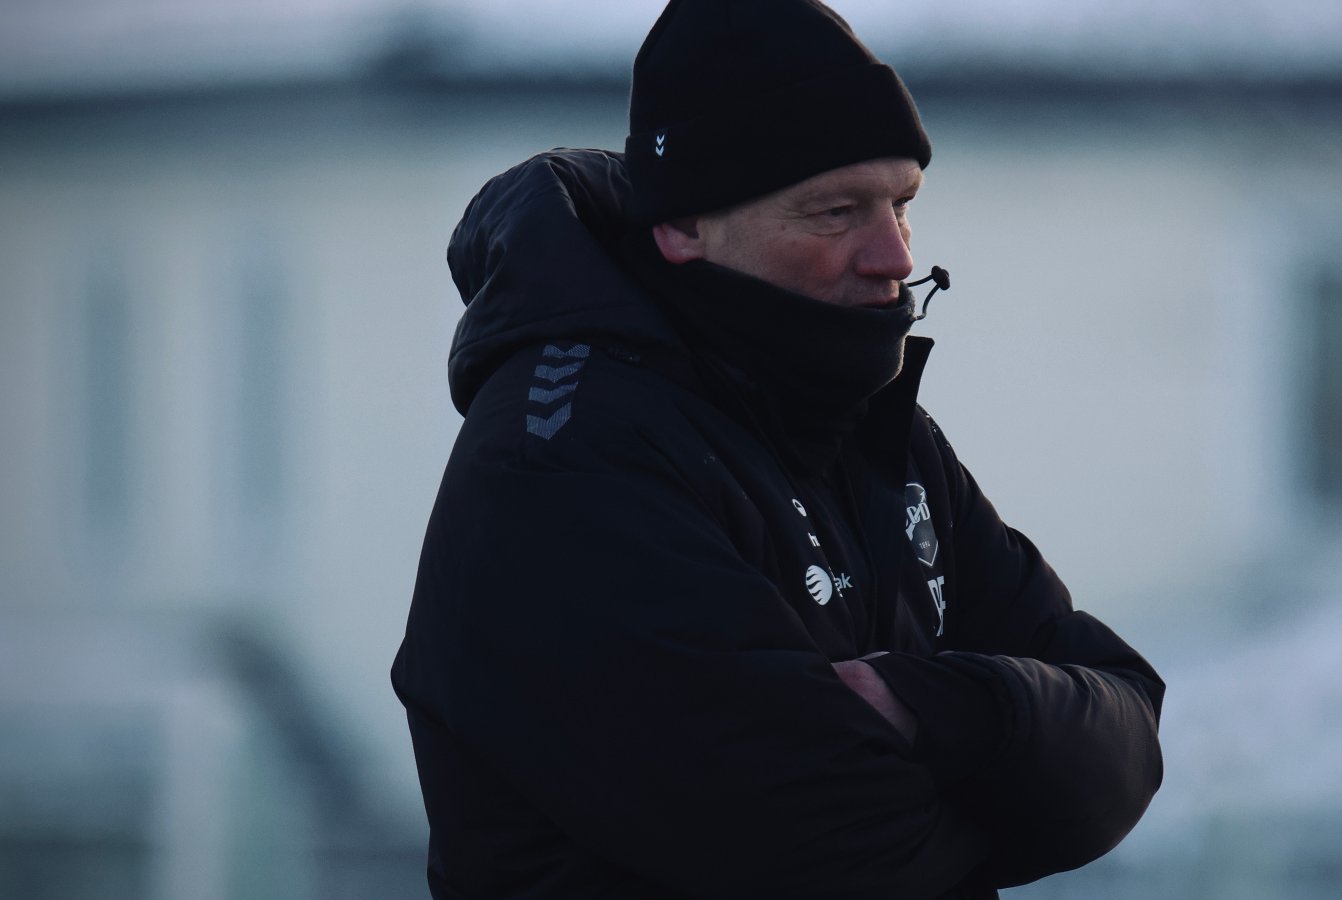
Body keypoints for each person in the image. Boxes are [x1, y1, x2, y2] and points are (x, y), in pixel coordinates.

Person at [391, 1, 1164, 897]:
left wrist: (934, 706)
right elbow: (836, 848)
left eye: (902, 205)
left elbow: (1127, 733)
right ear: (684, 225)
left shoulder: (874, 429)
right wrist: (1013, 792)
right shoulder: (561, 456)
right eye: (836, 211)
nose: (894, 257)